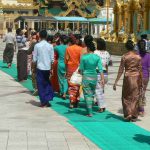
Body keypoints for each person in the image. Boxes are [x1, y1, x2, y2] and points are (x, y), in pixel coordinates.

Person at [113, 40, 143, 122]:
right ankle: (133, 114)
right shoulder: (138, 56)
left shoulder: (124, 56)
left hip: (127, 78)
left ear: (126, 47)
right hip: (136, 78)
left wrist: (116, 81)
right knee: (135, 97)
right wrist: (141, 82)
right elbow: (140, 70)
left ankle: (128, 114)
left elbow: (120, 70)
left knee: (126, 96)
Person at [79, 35, 104, 117]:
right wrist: (102, 79)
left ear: (88, 48)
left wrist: (80, 73)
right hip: (94, 76)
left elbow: (81, 69)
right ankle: (90, 110)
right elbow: (100, 69)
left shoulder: (84, 58)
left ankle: (89, 112)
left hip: (86, 76)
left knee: (86, 94)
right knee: (92, 94)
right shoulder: (97, 57)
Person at [33, 30, 54, 107]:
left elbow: (34, 59)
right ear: (46, 36)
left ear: (40, 36)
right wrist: (51, 69)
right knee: (47, 83)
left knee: (40, 85)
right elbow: (52, 59)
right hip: (47, 68)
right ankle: (47, 99)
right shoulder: (50, 46)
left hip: (40, 67)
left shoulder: (37, 46)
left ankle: (43, 101)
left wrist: (33, 68)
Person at [65, 35, 83, 108]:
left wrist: (66, 70)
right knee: (78, 85)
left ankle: (71, 102)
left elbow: (66, 60)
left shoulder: (68, 49)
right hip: (78, 69)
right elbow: (81, 60)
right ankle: (77, 101)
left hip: (70, 68)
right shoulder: (81, 49)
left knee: (71, 86)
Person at [94, 38, 111, 112]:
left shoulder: (95, 53)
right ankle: (101, 104)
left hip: (98, 73)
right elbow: (107, 65)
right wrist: (106, 74)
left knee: (98, 91)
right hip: (105, 73)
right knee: (101, 90)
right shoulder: (107, 53)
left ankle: (101, 107)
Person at [138, 39, 150, 116]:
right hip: (146, 76)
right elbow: (149, 68)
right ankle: (141, 109)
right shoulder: (149, 55)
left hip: (137, 76)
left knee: (138, 92)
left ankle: (140, 108)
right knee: (143, 92)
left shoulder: (136, 55)